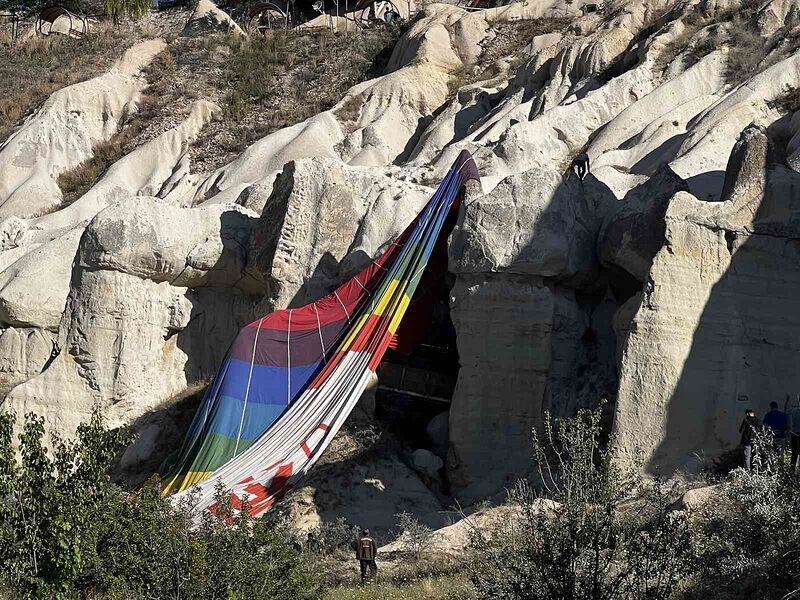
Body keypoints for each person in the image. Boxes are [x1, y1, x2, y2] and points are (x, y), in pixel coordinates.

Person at [787, 395, 800, 470]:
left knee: (794, 453)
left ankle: (792, 469)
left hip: (795, 433)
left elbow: (786, 412)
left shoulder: (793, 410)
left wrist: (787, 402)